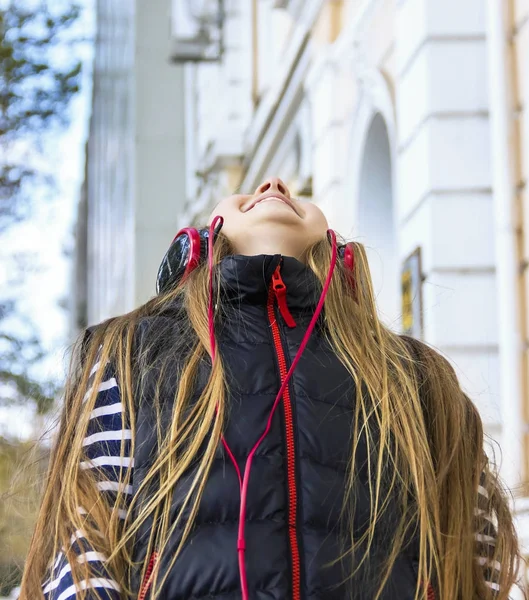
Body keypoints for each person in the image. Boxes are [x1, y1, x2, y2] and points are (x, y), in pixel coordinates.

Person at [20, 177, 524, 599]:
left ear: (335, 250)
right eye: (243, 191)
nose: (274, 185)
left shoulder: (412, 373)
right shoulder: (131, 352)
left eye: (294, 189)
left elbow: (475, 551)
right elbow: (83, 544)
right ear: (196, 244)